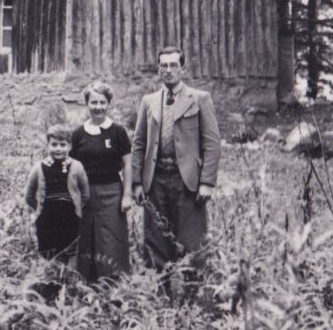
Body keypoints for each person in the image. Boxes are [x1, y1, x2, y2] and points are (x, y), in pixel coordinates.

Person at [130, 44, 220, 297]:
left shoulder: (199, 99)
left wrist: (207, 182)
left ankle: (192, 299)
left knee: (193, 242)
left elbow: (212, 144)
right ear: (158, 69)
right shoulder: (149, 102)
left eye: (173, 65)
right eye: (164, 65)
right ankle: (163, 296)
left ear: (183, 68)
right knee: (157, 241)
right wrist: (137, 182)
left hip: (188, 183)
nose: (168, 70)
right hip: (156, 181)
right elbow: (138, 144)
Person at [69, 80, 132, 282]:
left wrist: (127, 195)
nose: (98, 107)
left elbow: (128, 165)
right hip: (85, 194)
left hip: (112, 192)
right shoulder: (78, 134)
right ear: (87, 104)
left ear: (108, 104)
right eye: (93, 102)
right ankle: (86, 284)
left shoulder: (118, 132)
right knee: (86, 238)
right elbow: (72, 168)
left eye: (102, 102)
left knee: (111, 239)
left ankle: (113, 283)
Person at [23, 124, 90, 270]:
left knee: (71, 251)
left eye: (62, 144)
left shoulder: (77, 167)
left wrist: (77, 209)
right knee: (49, 253)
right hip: (46, 219)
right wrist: (39, 209)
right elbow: (29, 195)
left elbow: (85, 194)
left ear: (70, 146)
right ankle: (50, 282)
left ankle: (69, 281)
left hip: (70, 218)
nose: (58, 148)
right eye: (54, 144)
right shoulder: (38, 168)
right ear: (47, 145)